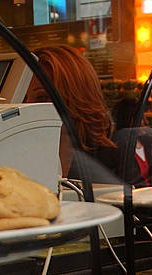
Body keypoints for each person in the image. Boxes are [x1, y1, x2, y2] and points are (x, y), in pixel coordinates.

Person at [26, 45, 120, 183]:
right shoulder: (19, 159)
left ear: (76, 99)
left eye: (42, 97)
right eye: (22, 98)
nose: (27, 106)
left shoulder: (111, 164)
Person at [111, 98, 152, 188]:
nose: (146, 122)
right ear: (129, 120)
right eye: (142, 118)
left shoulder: (148, 144)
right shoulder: (118, 147)